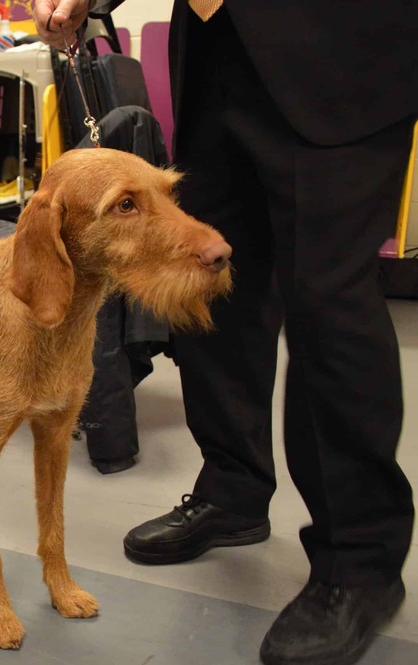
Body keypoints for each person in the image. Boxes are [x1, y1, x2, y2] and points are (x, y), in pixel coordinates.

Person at [34, 2, 415, 664]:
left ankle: (359, 559)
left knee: (328, 301)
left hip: (340, 47)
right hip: (217, 50)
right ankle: (232, 490)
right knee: (210, 281)